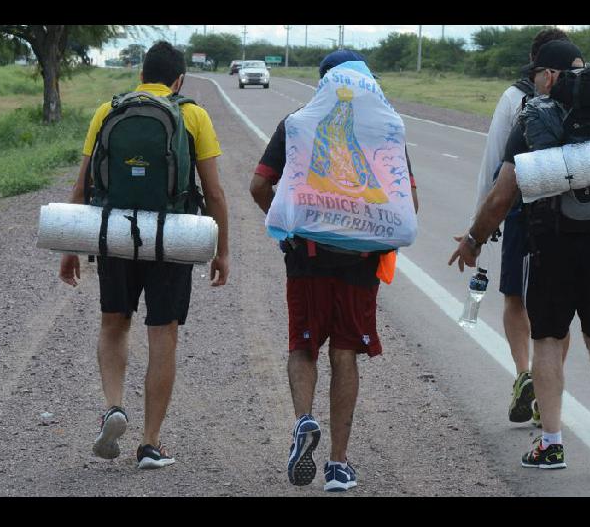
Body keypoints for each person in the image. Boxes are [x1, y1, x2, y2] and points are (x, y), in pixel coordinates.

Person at [449, 40, 590, 470]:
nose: (534, 81)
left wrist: (474, 239)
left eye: (537, 74)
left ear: (550, 76)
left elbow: (502, 195)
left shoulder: (534, 117)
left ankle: (550, 443)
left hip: (550, 246)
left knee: (548, 341)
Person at [250, 50, 419, 492]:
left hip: (306, 259)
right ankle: (338, 465)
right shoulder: (387, 128)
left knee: (303, 346)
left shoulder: (297, 122)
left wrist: (290, 227)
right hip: (361, 266)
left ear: (323, 82)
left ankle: (304, 420)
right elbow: (408, 207)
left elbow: (259, 185)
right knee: (345, 353)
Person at [59, 41, 230, 469]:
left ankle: (114, 405)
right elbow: (215, 192)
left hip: (115, 233)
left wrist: (71, 246)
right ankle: (150, 443)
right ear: (179, 80)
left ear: (141, 76)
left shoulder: (107, 111)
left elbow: (82, 186)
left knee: (114, 322)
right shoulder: (192, 114)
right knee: (162, 332)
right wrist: (220, 250)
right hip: (169, 239)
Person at [471, 28, 570, 428]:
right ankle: (549, 388)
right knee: (560, 309)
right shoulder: (585, 99)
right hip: (570, 219)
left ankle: (524, 373)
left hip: (520, 212)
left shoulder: (515, 97)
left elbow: (494, 161)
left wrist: (476, 225)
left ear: (534, 61)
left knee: (515, 296)